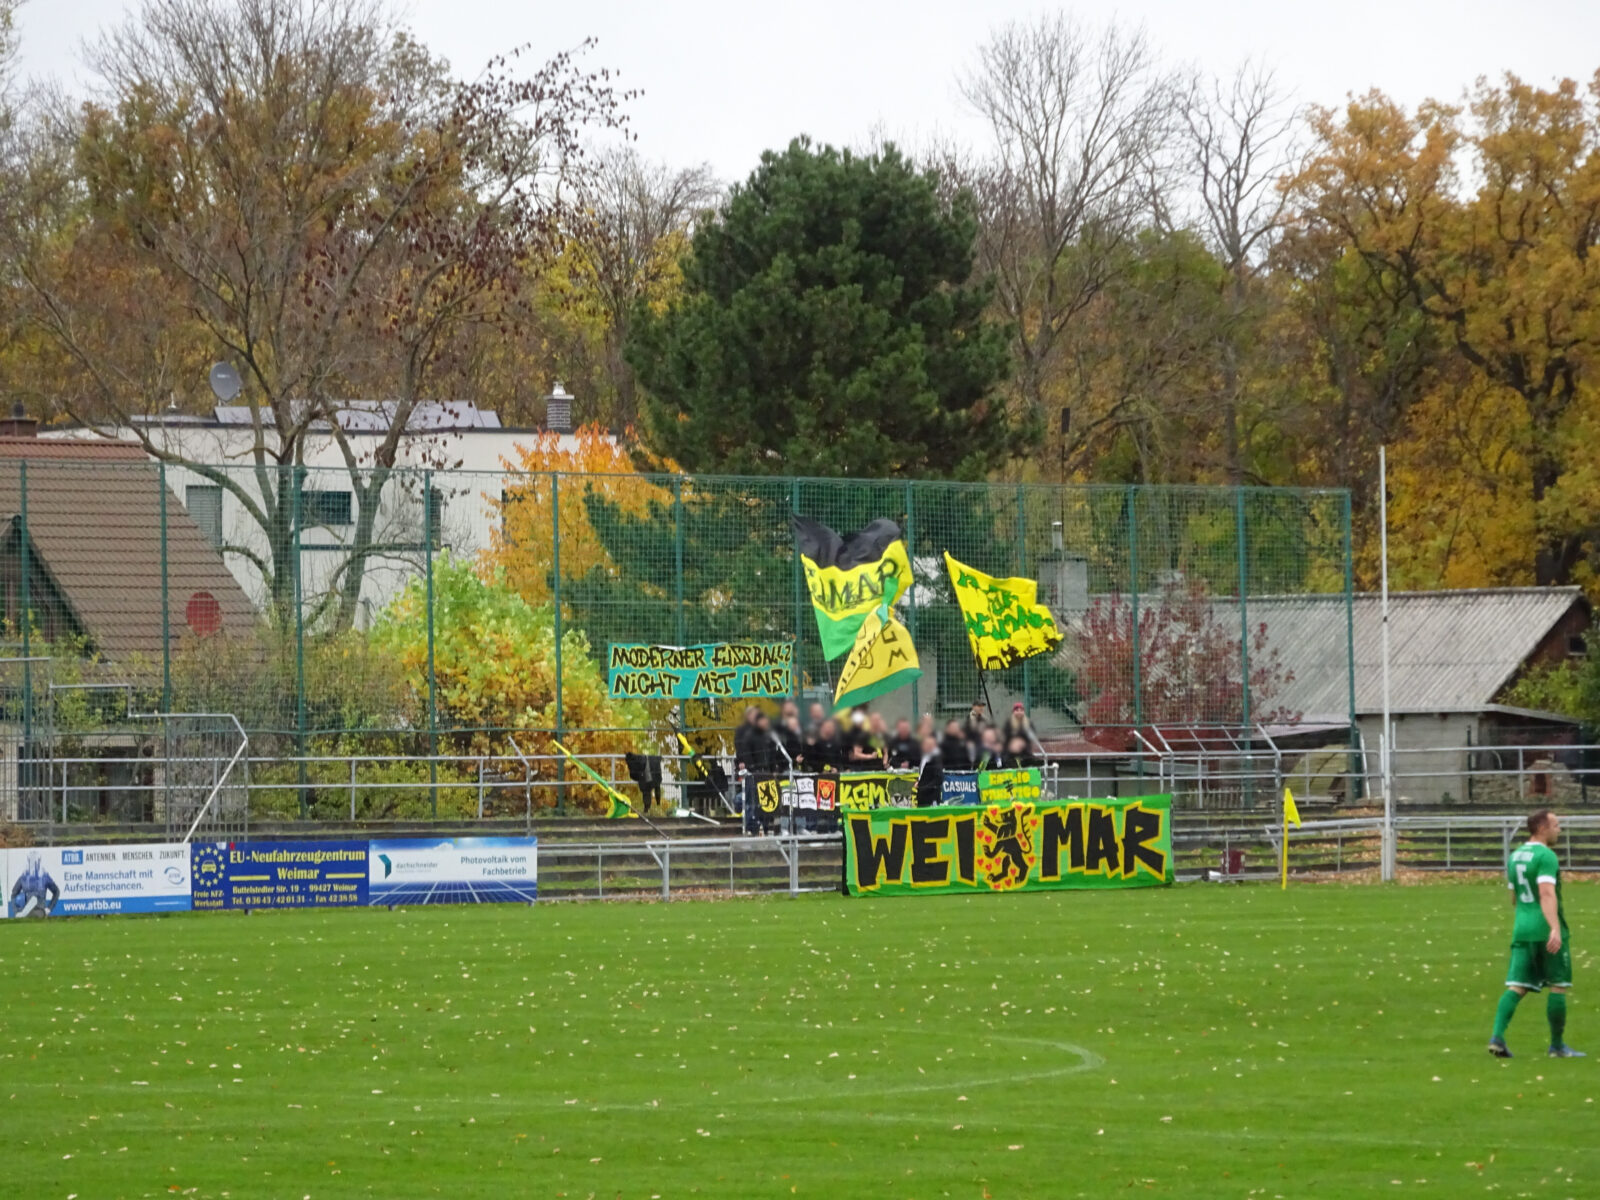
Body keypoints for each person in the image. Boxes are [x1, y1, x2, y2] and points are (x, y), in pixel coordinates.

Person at [1489, 810, 1583, 1058]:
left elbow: (1513, 896)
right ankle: (1557, 1046)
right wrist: (1554, 928)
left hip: (1522, 927)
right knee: (1558, 985)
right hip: (1544, 928)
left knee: (1516, 985)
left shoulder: (1515, 855)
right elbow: (1546, 893)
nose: (1559, 830)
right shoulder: (1546, 856)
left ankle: (1497, 1037)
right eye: (1556, 825)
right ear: (1541, 828)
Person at [915, 733, 943, 807]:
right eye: (925, 744)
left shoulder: (936, 759)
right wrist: (919, 782)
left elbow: (939, 778)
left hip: (931, 797)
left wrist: (923, 787)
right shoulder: (924, 757)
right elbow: (923, 774)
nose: (927, 746)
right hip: (922, 796)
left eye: (930, 744)